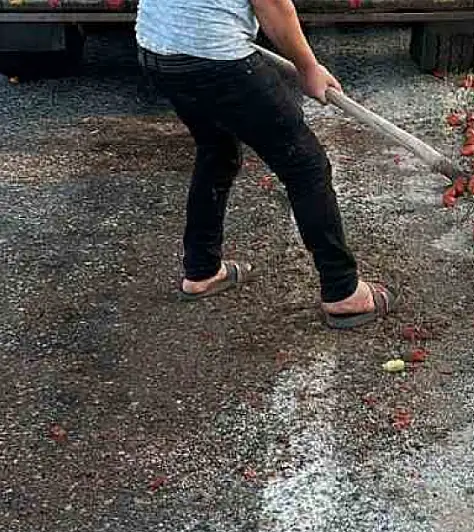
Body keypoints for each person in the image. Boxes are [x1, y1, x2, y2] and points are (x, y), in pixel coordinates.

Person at [134, 0, 393, 329]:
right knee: (305, 165)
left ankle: (202, 270)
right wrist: (308, 67)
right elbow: (272, 4)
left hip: (159, 50)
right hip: (213, 56)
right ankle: (343, 291)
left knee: (216, 148)